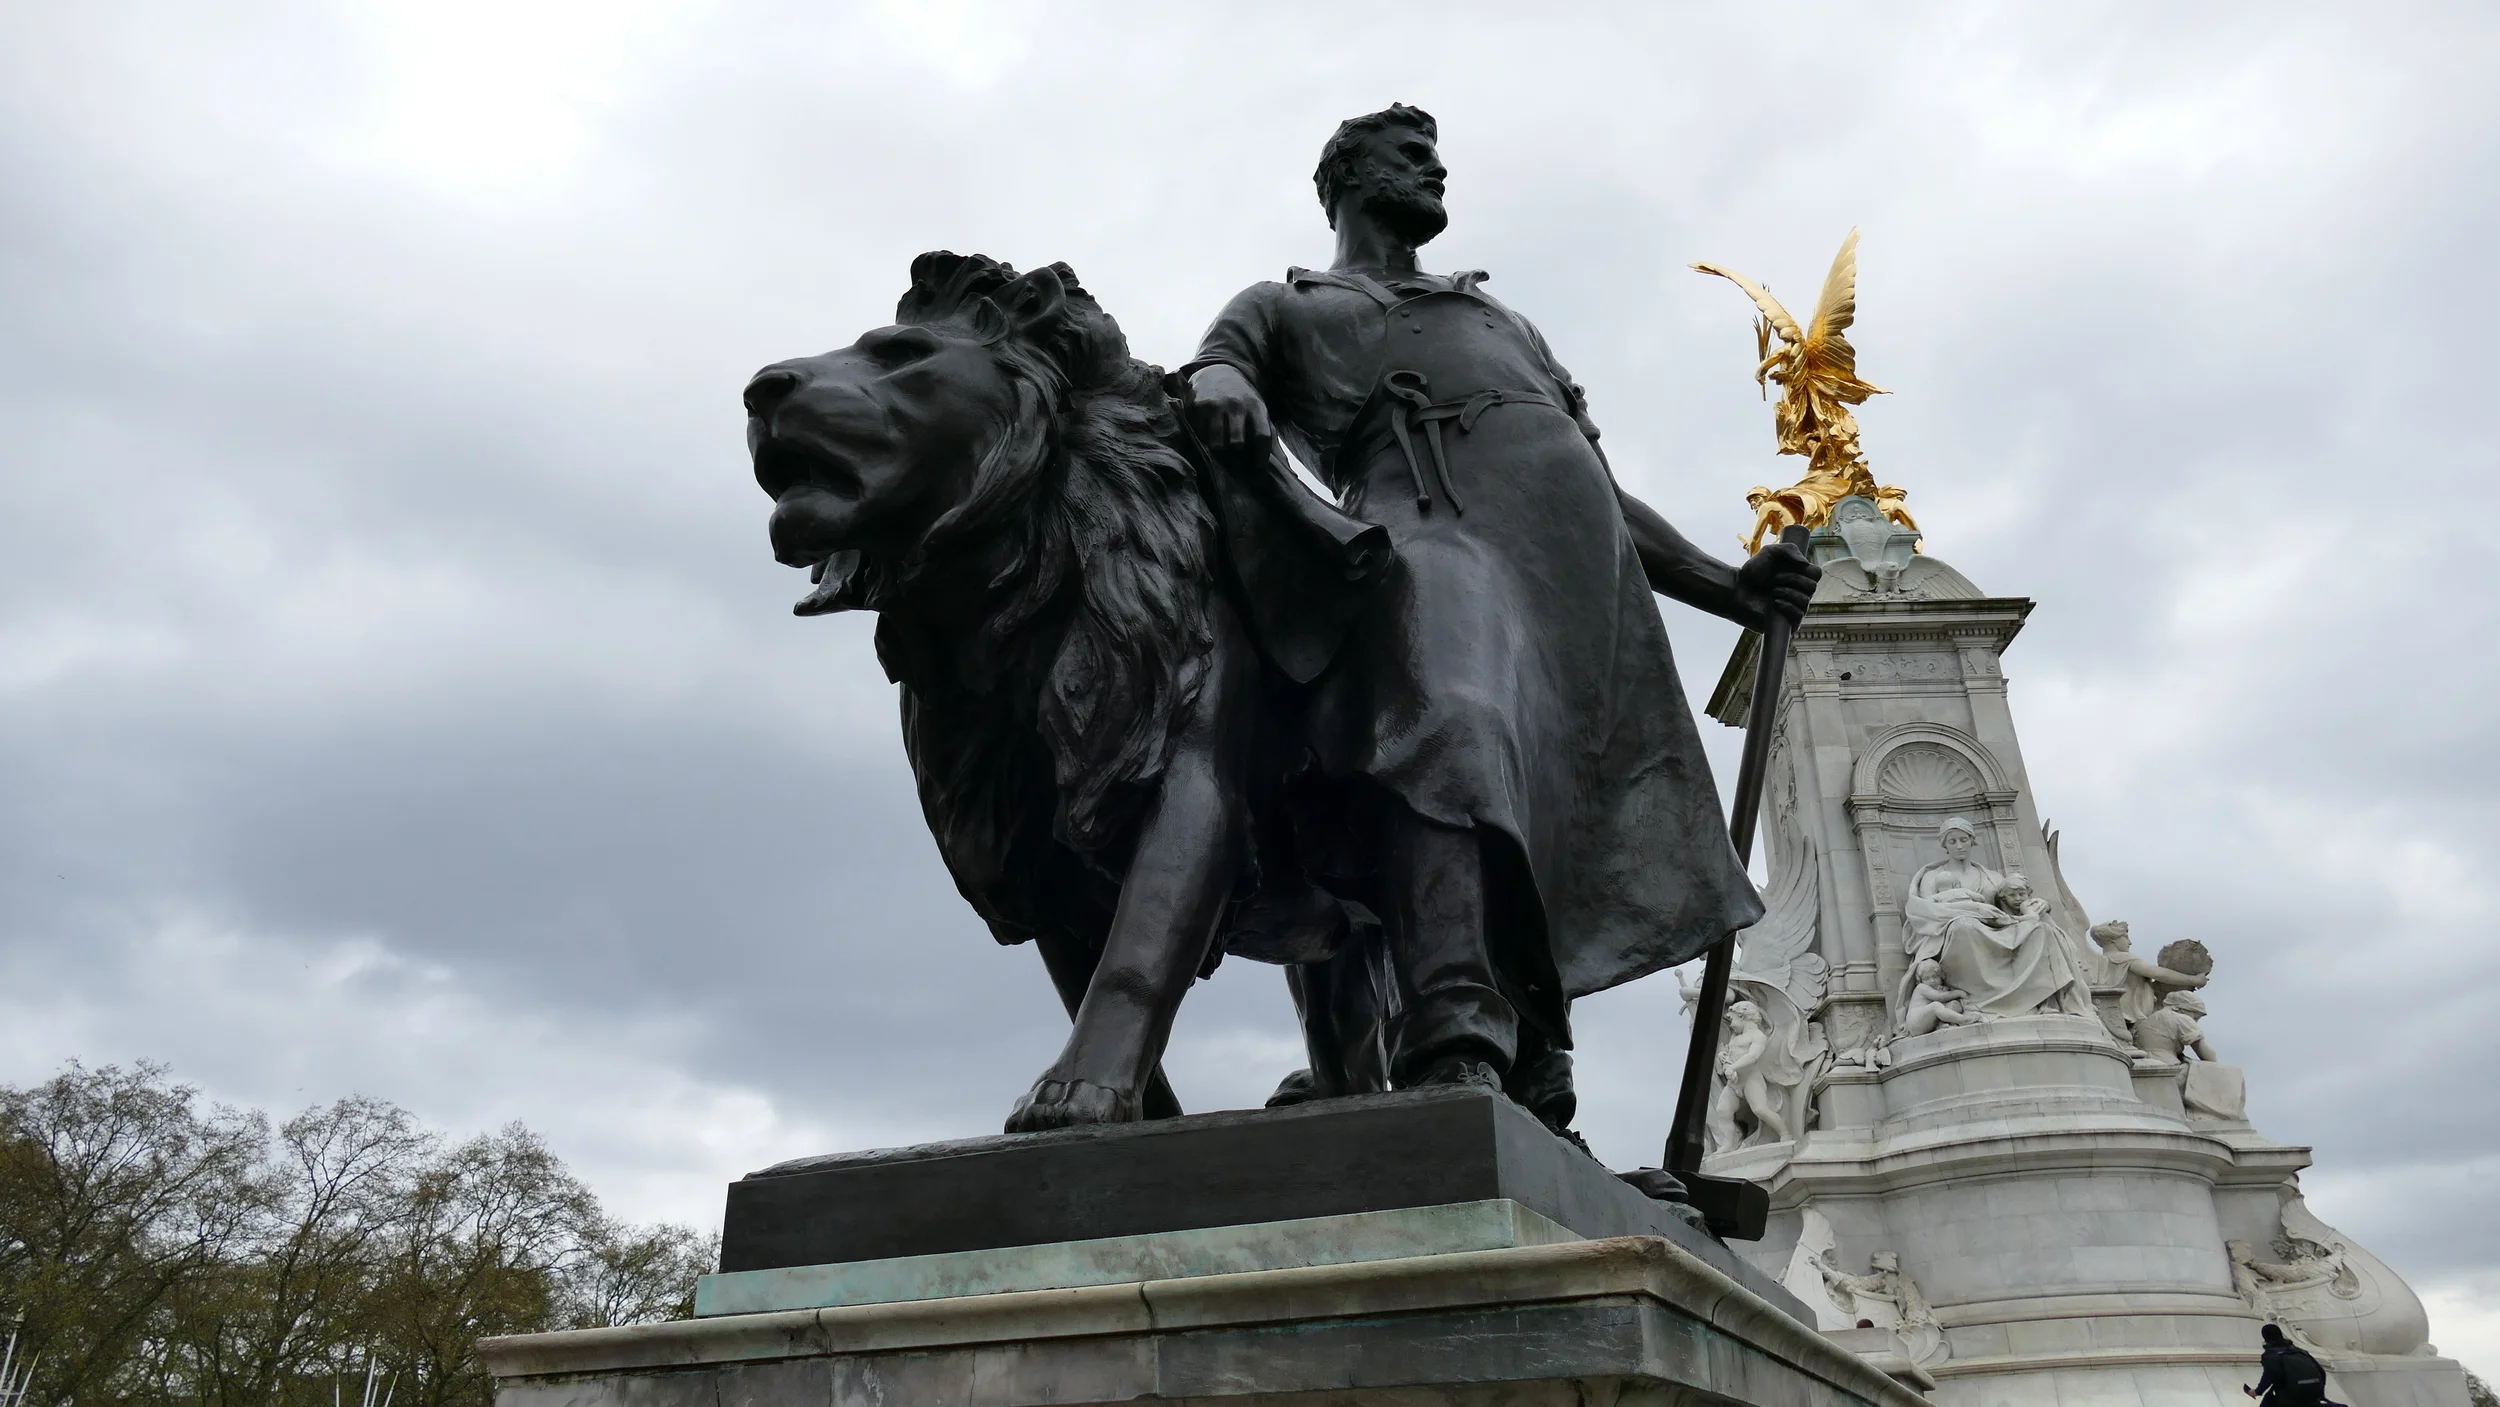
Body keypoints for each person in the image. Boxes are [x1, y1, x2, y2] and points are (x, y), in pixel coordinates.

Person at [1183, 104, 1819, 1132]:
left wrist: (1722, 585)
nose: (1436, 172)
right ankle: (1453, 1028)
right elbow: (1216, 368)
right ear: (1343, 178)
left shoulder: (1502, 321)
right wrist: (1219, 387)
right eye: (1411, 156)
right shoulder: (1285, 303)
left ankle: (1532, 1047)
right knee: (1448, 723)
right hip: (1420, 537)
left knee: (1544, 798)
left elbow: (1596, 485)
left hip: (1570, 578)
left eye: (1440, 159)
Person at [2245, 1321, 2337, 1407]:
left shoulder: (2270, 1355)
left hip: (2291, 1397)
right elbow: (2321, 1372)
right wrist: (2319, 1393)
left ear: (2265, 1338)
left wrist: (2257, 1392)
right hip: (2313, 1395)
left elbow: (2270, 1377)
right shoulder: (2300, 1351)